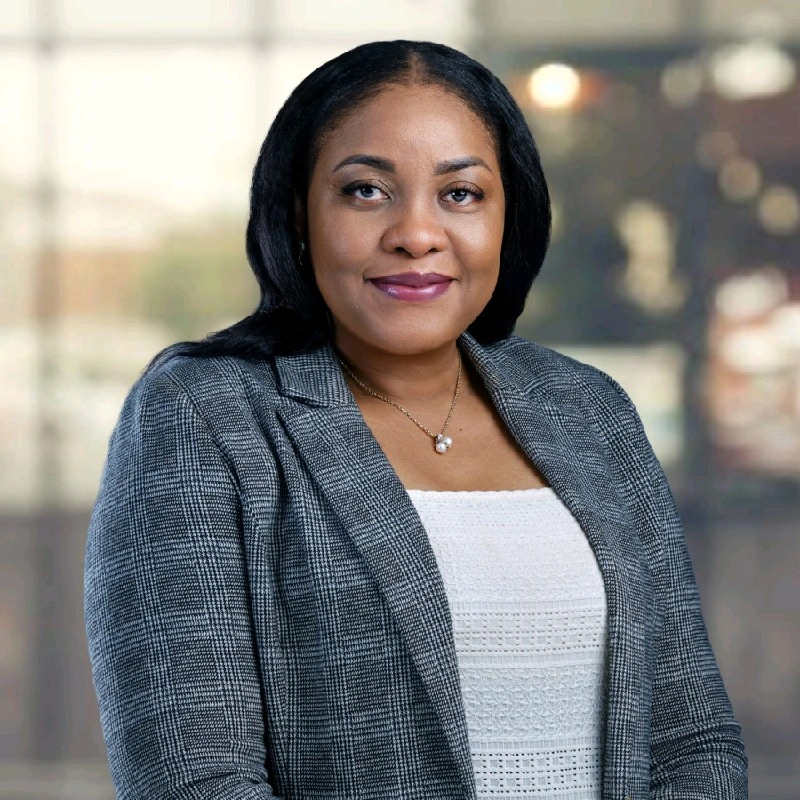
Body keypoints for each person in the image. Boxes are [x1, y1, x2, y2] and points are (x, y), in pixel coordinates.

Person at [84, 40, 747, 800]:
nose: (417, 234)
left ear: (510, 216)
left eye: (460, 194)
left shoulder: (590, 410)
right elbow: (195, 777)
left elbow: (691, 740)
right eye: (366, 191)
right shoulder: (204, 413)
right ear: (298, 213)